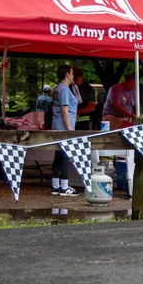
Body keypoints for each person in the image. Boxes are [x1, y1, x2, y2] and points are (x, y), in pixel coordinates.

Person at [51, 64, 79, 196]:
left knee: (57, 156)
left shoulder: (57, 88)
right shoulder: (65, 90)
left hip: (56, 126)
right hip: (64, 127)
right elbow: (65, 110)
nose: (73, 75)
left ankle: (55, 185)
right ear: (67, 74)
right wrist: (70, 130)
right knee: (65, 156)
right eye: (72, 73)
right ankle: (64, 186)